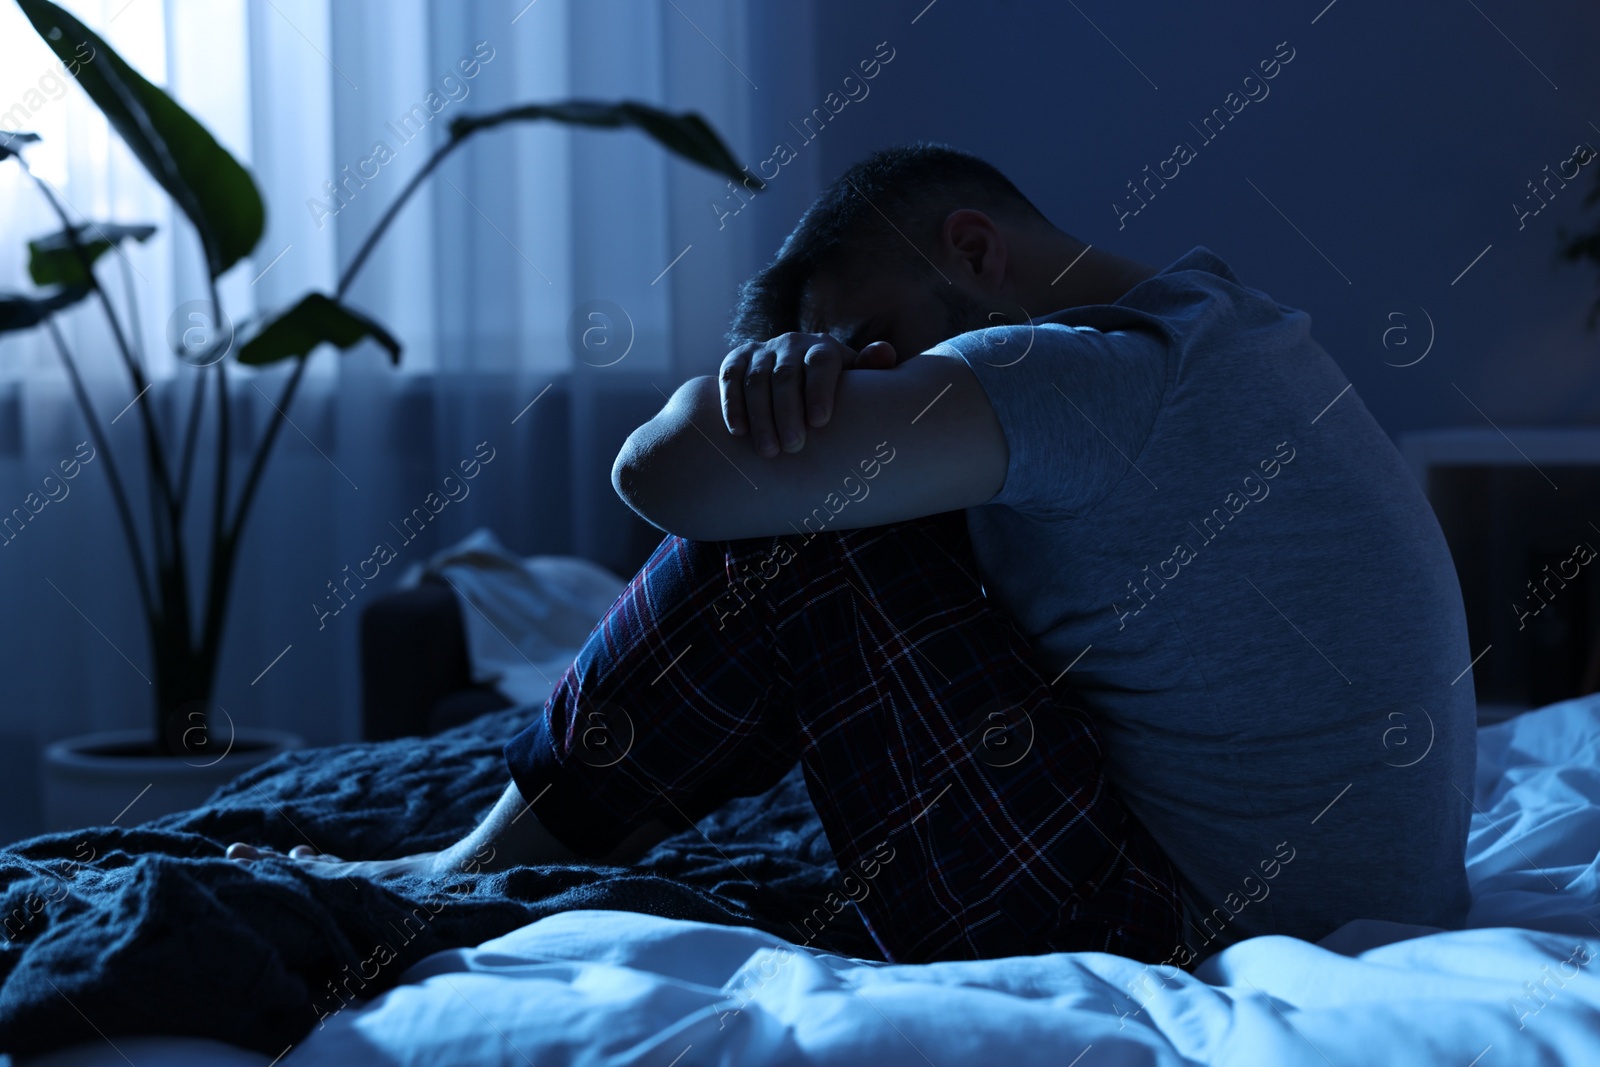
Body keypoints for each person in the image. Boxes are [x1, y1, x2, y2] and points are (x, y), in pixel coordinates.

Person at [230, 143, 1476, 970]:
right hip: (1319, 900)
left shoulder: (1070, 374)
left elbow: (660, 477)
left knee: (802, 546)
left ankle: (465, 871)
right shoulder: (1230, 329)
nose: (865, 384)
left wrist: (747, 395)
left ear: (975, 251)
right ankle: (512, 844)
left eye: (869, 339)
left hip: (1188, 921)